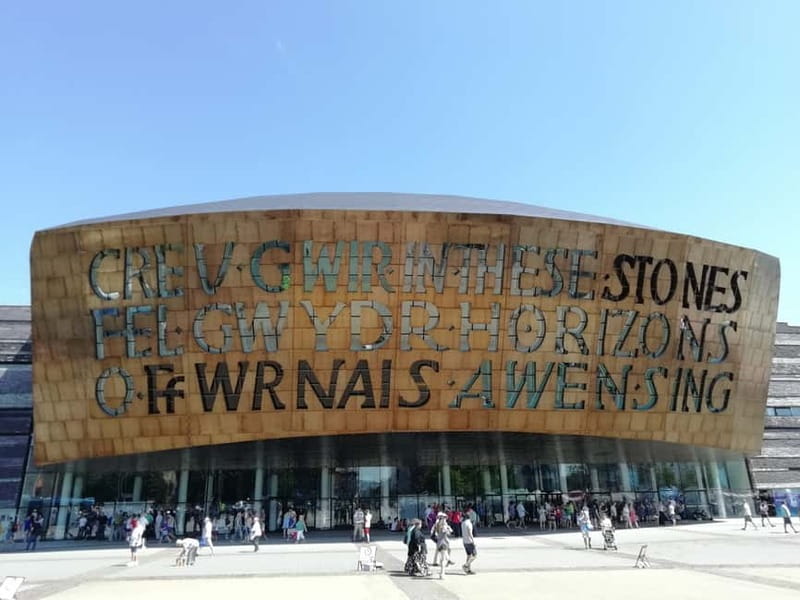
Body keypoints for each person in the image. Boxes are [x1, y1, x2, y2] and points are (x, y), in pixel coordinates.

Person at [431, 512, 455, 579]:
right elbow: (448, 533)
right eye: (444, 518)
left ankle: (443, 571)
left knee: (444, 558)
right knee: (443, 559)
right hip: (443, 543)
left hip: (439, 542)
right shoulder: (443, 526)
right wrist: (448, 529)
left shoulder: (437, 524)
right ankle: (442, 573)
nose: (445, 519)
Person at [461, 510, 477, 574]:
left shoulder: (463, 523)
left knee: (468, 555)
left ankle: (468, 570)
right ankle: (466, 565)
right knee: (474, 555)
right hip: (469, 541)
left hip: (464, 541)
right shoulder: (469, 523)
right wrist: (473, 541)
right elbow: (470, 533)